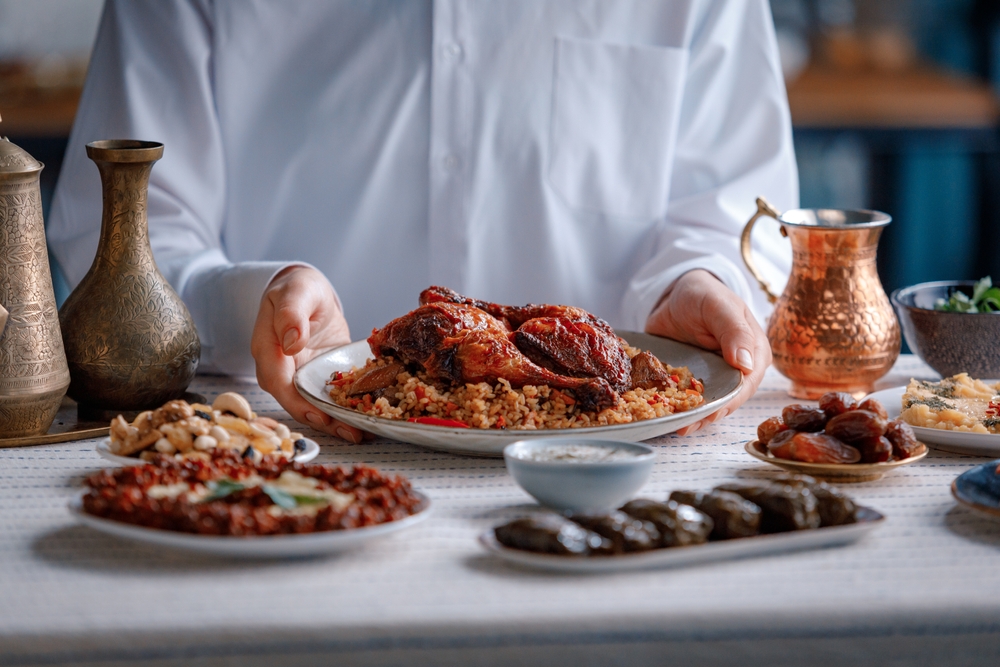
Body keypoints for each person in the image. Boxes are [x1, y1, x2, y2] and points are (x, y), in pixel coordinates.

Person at [48, 0, 797, 442]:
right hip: (295, 449)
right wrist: (261, 302)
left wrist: (699, 279)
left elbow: (742, 208)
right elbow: (118, 233)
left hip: (629, 463)